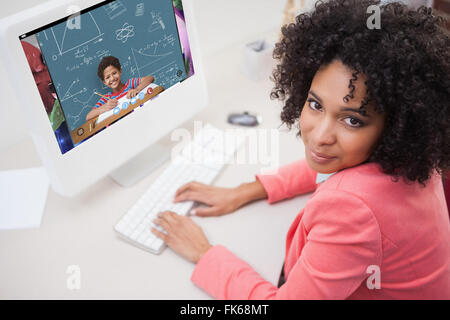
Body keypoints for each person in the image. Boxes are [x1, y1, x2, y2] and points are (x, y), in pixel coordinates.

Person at [151, 0, 450, 299]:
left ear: (396, 125)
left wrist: (204, 254)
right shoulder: (412, 156)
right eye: (316, 104)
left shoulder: (353, 212)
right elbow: (328, 163)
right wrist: (246, 191)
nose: (320, 136)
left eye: (351, 120)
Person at [86, 56, 154, 121]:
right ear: (104, 82)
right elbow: (88, 116)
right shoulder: (106, 98)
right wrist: (104, 107)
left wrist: (137, 89)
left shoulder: (130, 84)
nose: (112, 78)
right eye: (108, 77)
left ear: (120, 71)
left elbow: (150, 78)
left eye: (114, 73)